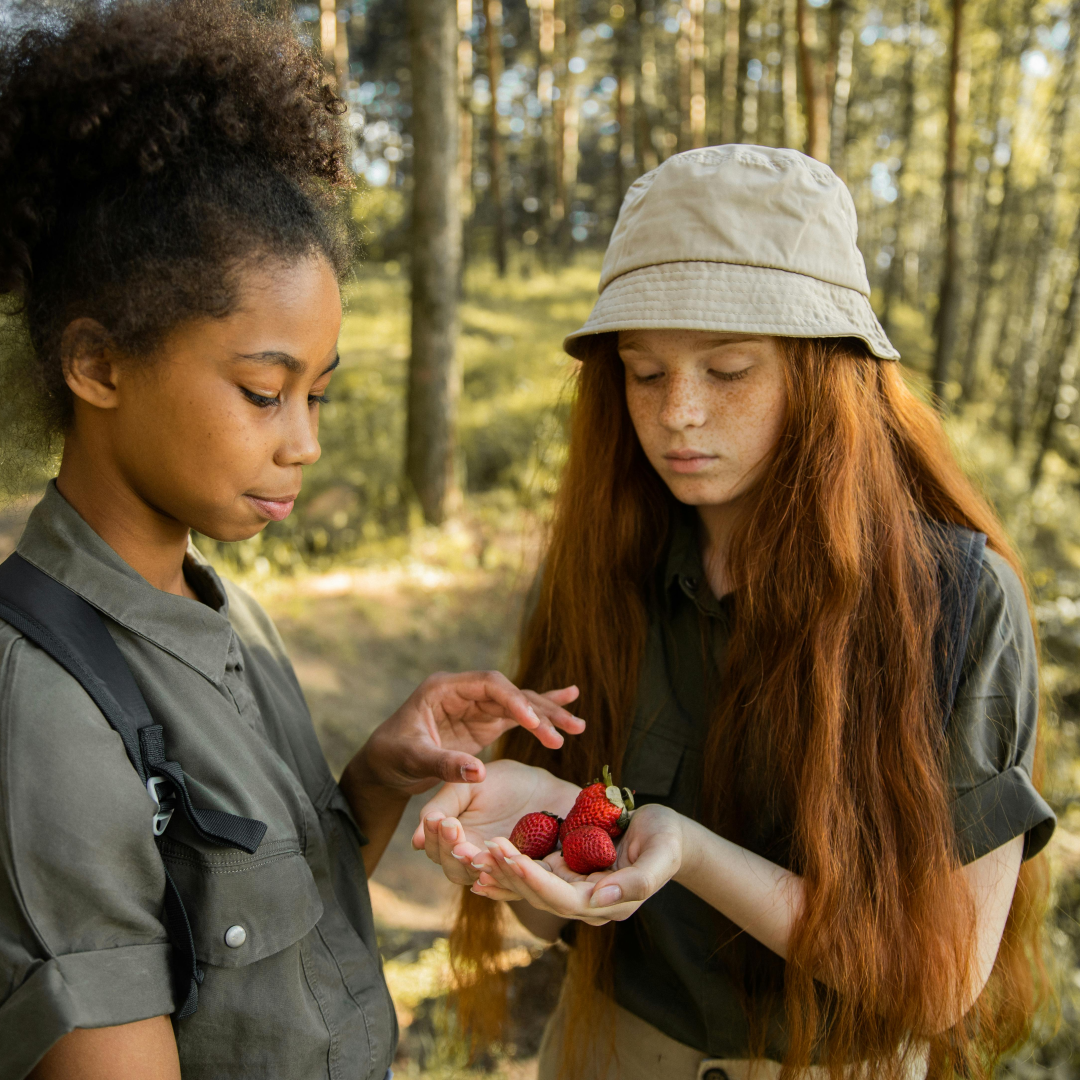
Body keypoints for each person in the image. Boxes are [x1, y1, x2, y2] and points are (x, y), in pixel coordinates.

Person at [0, 4, 585, 1079]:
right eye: (264, 393)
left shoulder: (228, 611)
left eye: (317, 394)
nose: (304, 443)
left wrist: (373, 781)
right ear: (97, 367)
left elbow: (265, 948)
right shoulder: (47, 713)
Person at [413, 146, 1056, 1080]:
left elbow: (942, 977)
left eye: (727, 371)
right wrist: (515, 853)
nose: (679, 414)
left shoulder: (953, 601)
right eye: (644, 373)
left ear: (825, 376)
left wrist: (688, 851)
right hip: (608, 1053)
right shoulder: (604, 567)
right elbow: (557, 914)